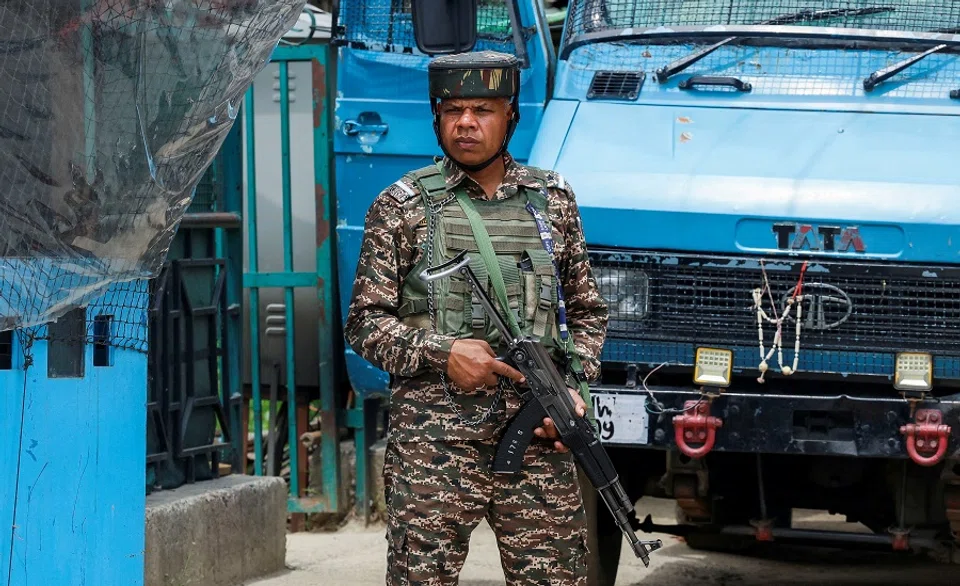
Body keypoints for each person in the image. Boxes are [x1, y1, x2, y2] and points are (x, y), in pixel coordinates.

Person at [344, 50, 609, 585]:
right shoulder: (401, 206)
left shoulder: (551, 201)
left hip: (538, 433)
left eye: (483, 110)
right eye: (453, 110)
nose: (466, 123)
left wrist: (574, 390)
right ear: (437, 118)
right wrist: (443, 353)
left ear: (510, 116)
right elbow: (365, 323)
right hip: (434, 445)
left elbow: (585, 312)